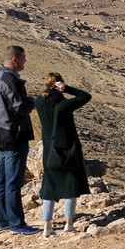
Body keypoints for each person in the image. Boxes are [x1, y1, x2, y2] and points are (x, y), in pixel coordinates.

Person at [0, 45, 38, 234]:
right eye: (23, 58)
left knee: (1, 180)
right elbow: (20, 108)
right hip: (13, 134)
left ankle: (3, 221)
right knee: (13, 181)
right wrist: (32, 102)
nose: (25, 61)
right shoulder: (10, 80)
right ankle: (17, 224)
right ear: (15, 60)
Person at [35, 72, 92, 237]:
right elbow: (85, 96)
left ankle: (47, 226)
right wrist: (67, 89)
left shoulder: (39, 102)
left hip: (50, 152)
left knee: (49, 188)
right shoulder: (64, 104)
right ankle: (69, 223)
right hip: (68, 151)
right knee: (70, 187)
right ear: (59, 84)